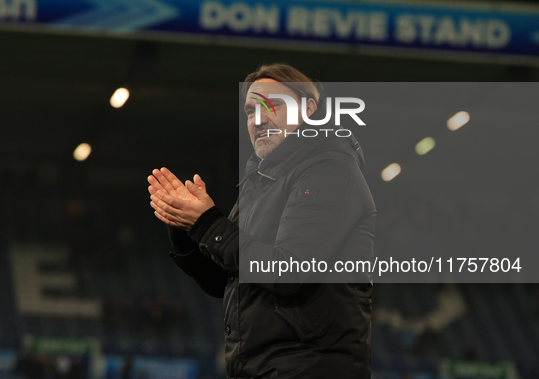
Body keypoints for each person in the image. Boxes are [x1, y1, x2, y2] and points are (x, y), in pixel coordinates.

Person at [148, 63, 376, 378]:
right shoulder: (262, 181)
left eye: (274, 106)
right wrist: (188, 227)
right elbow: (228, 279)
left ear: (310, 109)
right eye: (251, 110)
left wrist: (207, 223)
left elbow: (287, 271)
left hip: (309, 368)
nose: (259, 119)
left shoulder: (330, 170)